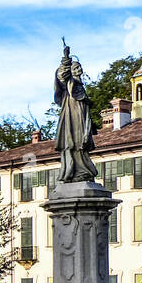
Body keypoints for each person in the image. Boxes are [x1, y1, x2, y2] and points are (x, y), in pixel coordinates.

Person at [54, 45, 100, 183]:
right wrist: (66, 59)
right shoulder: (69, 83)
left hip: (82, 119)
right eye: (75, 68)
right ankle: (73, 171)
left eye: (79, 67)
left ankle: (83, 170)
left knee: (82, 143)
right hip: (71, 118)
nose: (78, 70)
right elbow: (62, 75)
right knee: (73, 142)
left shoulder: (81, 87)